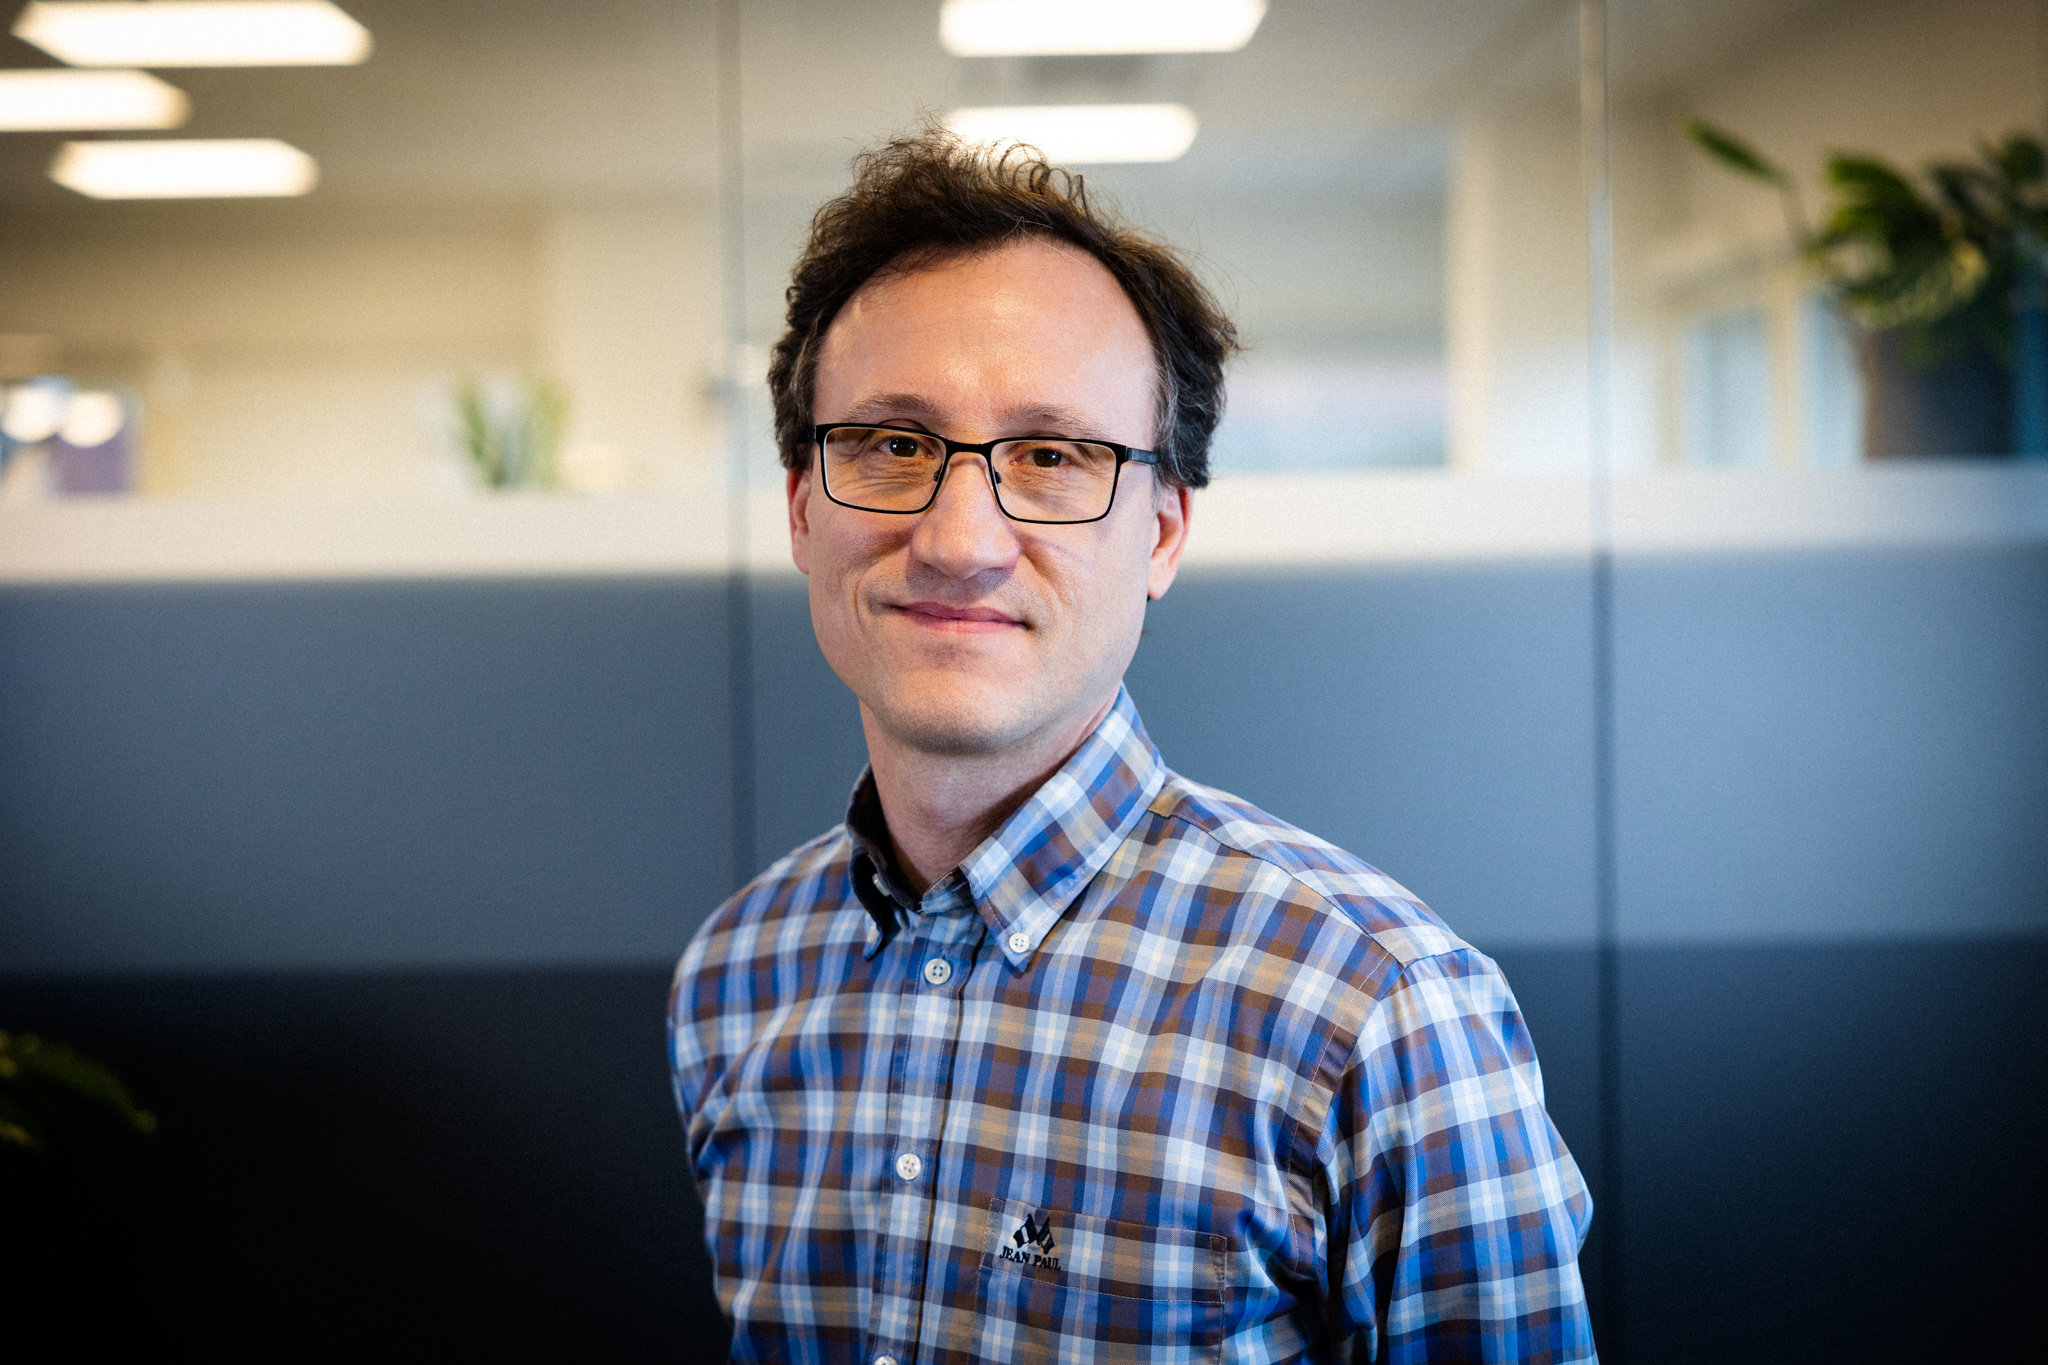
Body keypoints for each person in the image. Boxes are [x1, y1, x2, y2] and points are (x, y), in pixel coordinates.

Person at [669, 128, 1595, 1364]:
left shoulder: (1376, 1014)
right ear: (800, 508)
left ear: (1161, 533)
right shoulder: (735, 978)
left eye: (1050, 456)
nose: (958, 540)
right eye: (891, 444)